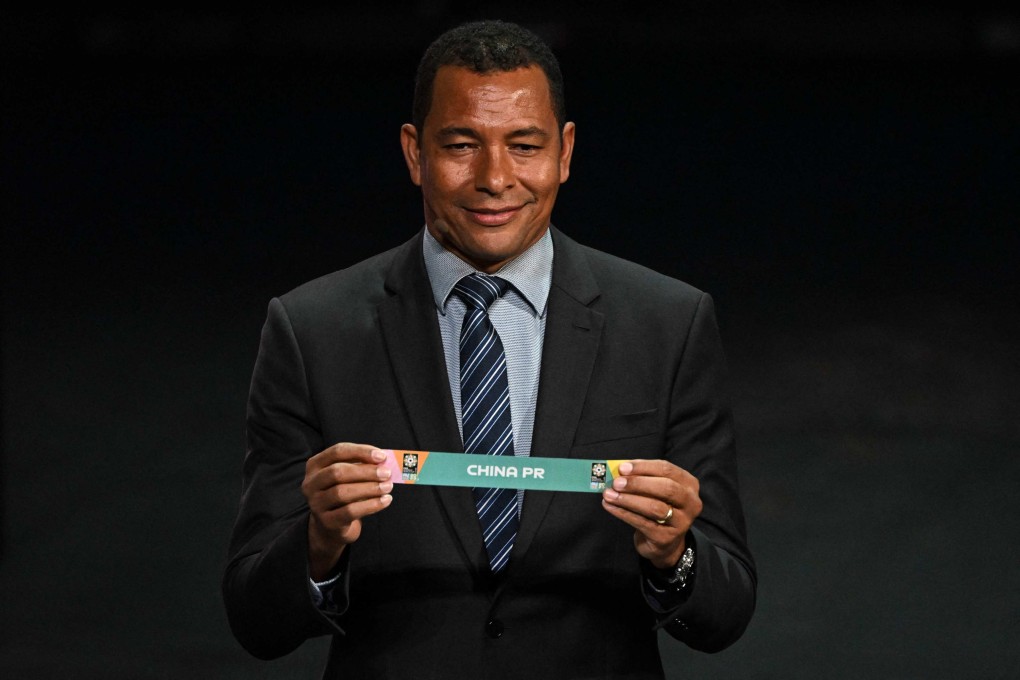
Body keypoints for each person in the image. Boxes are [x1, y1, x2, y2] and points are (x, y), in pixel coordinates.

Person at [223, 19, 755, 679]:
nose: (495, 177)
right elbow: (254, 618)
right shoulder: (310, 330)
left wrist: (676, 557)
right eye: (461, 144)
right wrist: (318, 544)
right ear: (414, 153)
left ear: (565, 152)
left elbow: (727, 609)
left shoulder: (668, 323)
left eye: (524, 145)